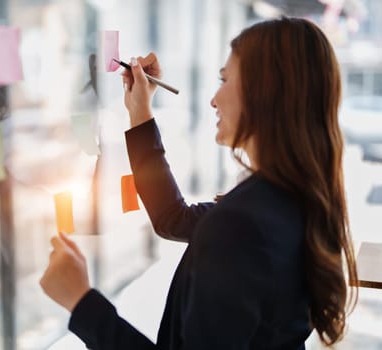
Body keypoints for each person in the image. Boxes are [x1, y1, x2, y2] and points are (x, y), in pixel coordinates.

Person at [40, 17, 358, 349]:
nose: (214, 100)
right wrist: (140, 113)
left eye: (225, 79)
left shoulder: (243, 224)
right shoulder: (292, 199)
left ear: (264, 92)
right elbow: (172, 218)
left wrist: (82, 303)